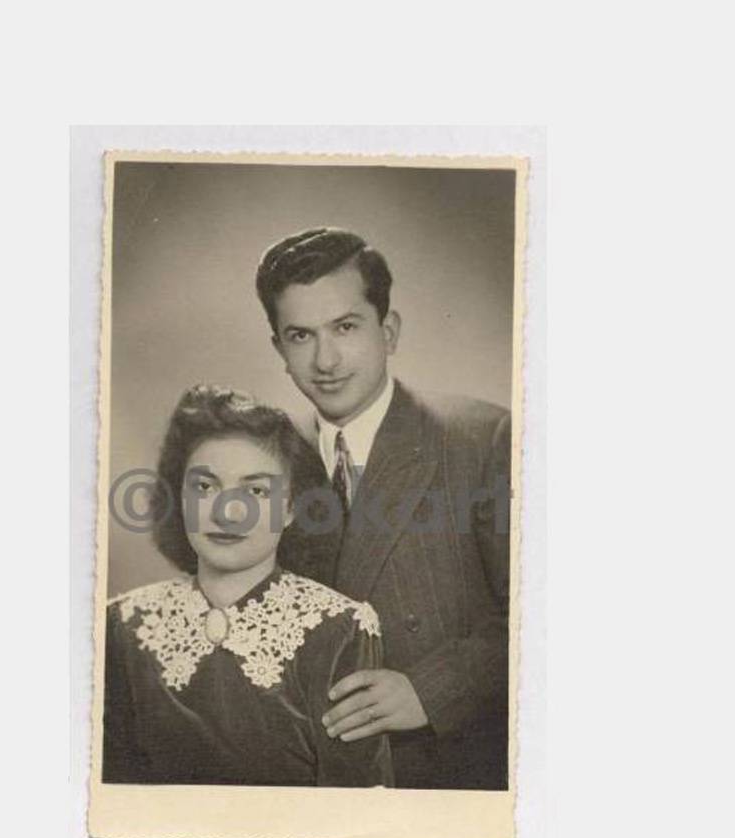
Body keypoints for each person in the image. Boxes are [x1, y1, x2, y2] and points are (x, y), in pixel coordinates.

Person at [260, 227, 511, 789]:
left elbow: (541, 617)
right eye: (300, 336)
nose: (325, 360)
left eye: (345, 327)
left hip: (447, 776)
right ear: (279, 349)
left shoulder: (482, 439)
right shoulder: (267, 454)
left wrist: (430, 689)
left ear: (388, 330)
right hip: (309, 780)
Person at [102, 384, 393, 787]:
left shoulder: (339, 628)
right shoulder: (122, 625)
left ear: (291, 508)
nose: (228, 513)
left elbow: (358, 809)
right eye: (205, 487)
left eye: (256, 491)